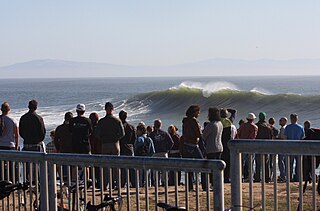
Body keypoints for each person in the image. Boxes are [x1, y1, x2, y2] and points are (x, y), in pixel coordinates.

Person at [96, 102, 124, 190]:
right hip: (115, 144)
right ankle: (118, 185)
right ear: (112, 109)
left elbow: (97, 134)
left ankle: (105, 186)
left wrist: (103, 139)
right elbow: (122, 133)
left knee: (105, 166)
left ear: (105, 109)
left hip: (105, 144)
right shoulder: (117, 121)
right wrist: (116, 138)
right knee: (116, 165)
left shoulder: (101, 121)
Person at [19, 99, 46, 182]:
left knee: (27, 167)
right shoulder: (38, 118)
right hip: (36, 145)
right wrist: (38, 140)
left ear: (28, 107)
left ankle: (27, 183)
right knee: (36, 168)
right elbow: (42, 132)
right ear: (36, 107)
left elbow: (21, 132)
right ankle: (36, 184)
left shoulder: (23, 118)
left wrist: (26, 138)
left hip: (26, 144)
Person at [181, 105, 204, 191]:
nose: (199, 113)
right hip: (193, 145)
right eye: (198, 112)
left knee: (188, 166)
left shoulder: (185, 121)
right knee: (203, 164)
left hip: (186, 145)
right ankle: (204, 185)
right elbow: (199, 134)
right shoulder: (194, 121)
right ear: (194, 112)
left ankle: (189, 186)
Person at [202, 107, 223, 190]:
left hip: (211, 148)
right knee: (218, 168)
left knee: (211, 168)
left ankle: (213, 184)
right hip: (220, 147)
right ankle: (218, 183)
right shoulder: (220, 123)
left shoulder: (211, 124)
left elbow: (204, 136)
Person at [149, 119, 174, 186]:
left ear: (154, 125)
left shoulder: (152, 134)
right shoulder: (165, 133)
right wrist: (167, 149)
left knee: (155, 170)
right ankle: (164, 183)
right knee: (164, 170)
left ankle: (156, 183)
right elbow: (171, 142)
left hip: (155, 153)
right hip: (164, 153)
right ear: (161, 125)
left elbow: (149, 143)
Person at [0, 102, 19, 182]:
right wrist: (17, 146)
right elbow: (16, 135)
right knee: (11, 166)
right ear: (9, 109)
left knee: (1, 166)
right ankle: (11, 181)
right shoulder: (12, 120)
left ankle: (1, 181)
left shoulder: (0, 119)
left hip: (1, 145)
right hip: (10, 145)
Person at [237, 113, 258, 181]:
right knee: (251, 163)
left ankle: (241, 176)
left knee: (242, 162)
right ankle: (250, 177)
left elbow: (238, 134)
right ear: (253, 119)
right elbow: (253, 137)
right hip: (250, 146)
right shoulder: (254, 127)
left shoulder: (243, 125)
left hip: (242, 145)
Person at [284, 113, 304, 182]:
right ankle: (298, 178)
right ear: (296, 119)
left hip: (290, 147)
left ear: (290, 119)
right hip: (298, 147)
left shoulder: (287, 127)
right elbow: (302, 137)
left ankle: (289, 178)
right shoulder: (300, 127)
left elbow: (285, 137)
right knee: (298, 164)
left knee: (290, 164)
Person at [119, 110, 136, 188]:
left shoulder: (119, 126)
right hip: (130, 147)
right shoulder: (131, 127)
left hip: (122, 147)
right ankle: (134, 183)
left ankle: (122, 183)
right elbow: (134, 139)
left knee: (122, 167)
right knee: (131, 167)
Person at [54, 112, 73, 181]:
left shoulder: (59, 128)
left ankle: (65, 184)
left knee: (64, 170)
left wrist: (58, 148)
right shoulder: (73, 128)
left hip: (63, 150)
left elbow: (55, 140)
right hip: (72, 151)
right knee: (72, 169)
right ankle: (71, 184)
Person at [254, 112, 273, 183]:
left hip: (258, 146)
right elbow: (271, 138)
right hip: (266, 146)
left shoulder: (256, 126)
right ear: (265, 118)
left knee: (258, 163)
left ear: (259, 117)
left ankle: (258, 178)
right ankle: (267, 178)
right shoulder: (268, 126)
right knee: (266, 163)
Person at [220, 108, 237, 183]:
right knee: (227, 162)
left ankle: (220, 177)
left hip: (220, 144)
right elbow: (234, 111)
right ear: (226, 115)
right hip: (228, 145)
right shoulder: (229, 121)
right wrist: (227, 109)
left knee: (220, 162)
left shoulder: (218, 122)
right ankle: (226, 178)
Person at [277, 117, 288, 182]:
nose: (279, 121)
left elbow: (283, 138)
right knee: (283, 161)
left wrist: (276, 139)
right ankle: (284, 175)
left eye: (281, 120)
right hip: (284, 147)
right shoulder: (283, 128)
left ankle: (283, 176)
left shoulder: (283, 129)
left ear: (284, 121)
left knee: (281, 161)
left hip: (282, 147)